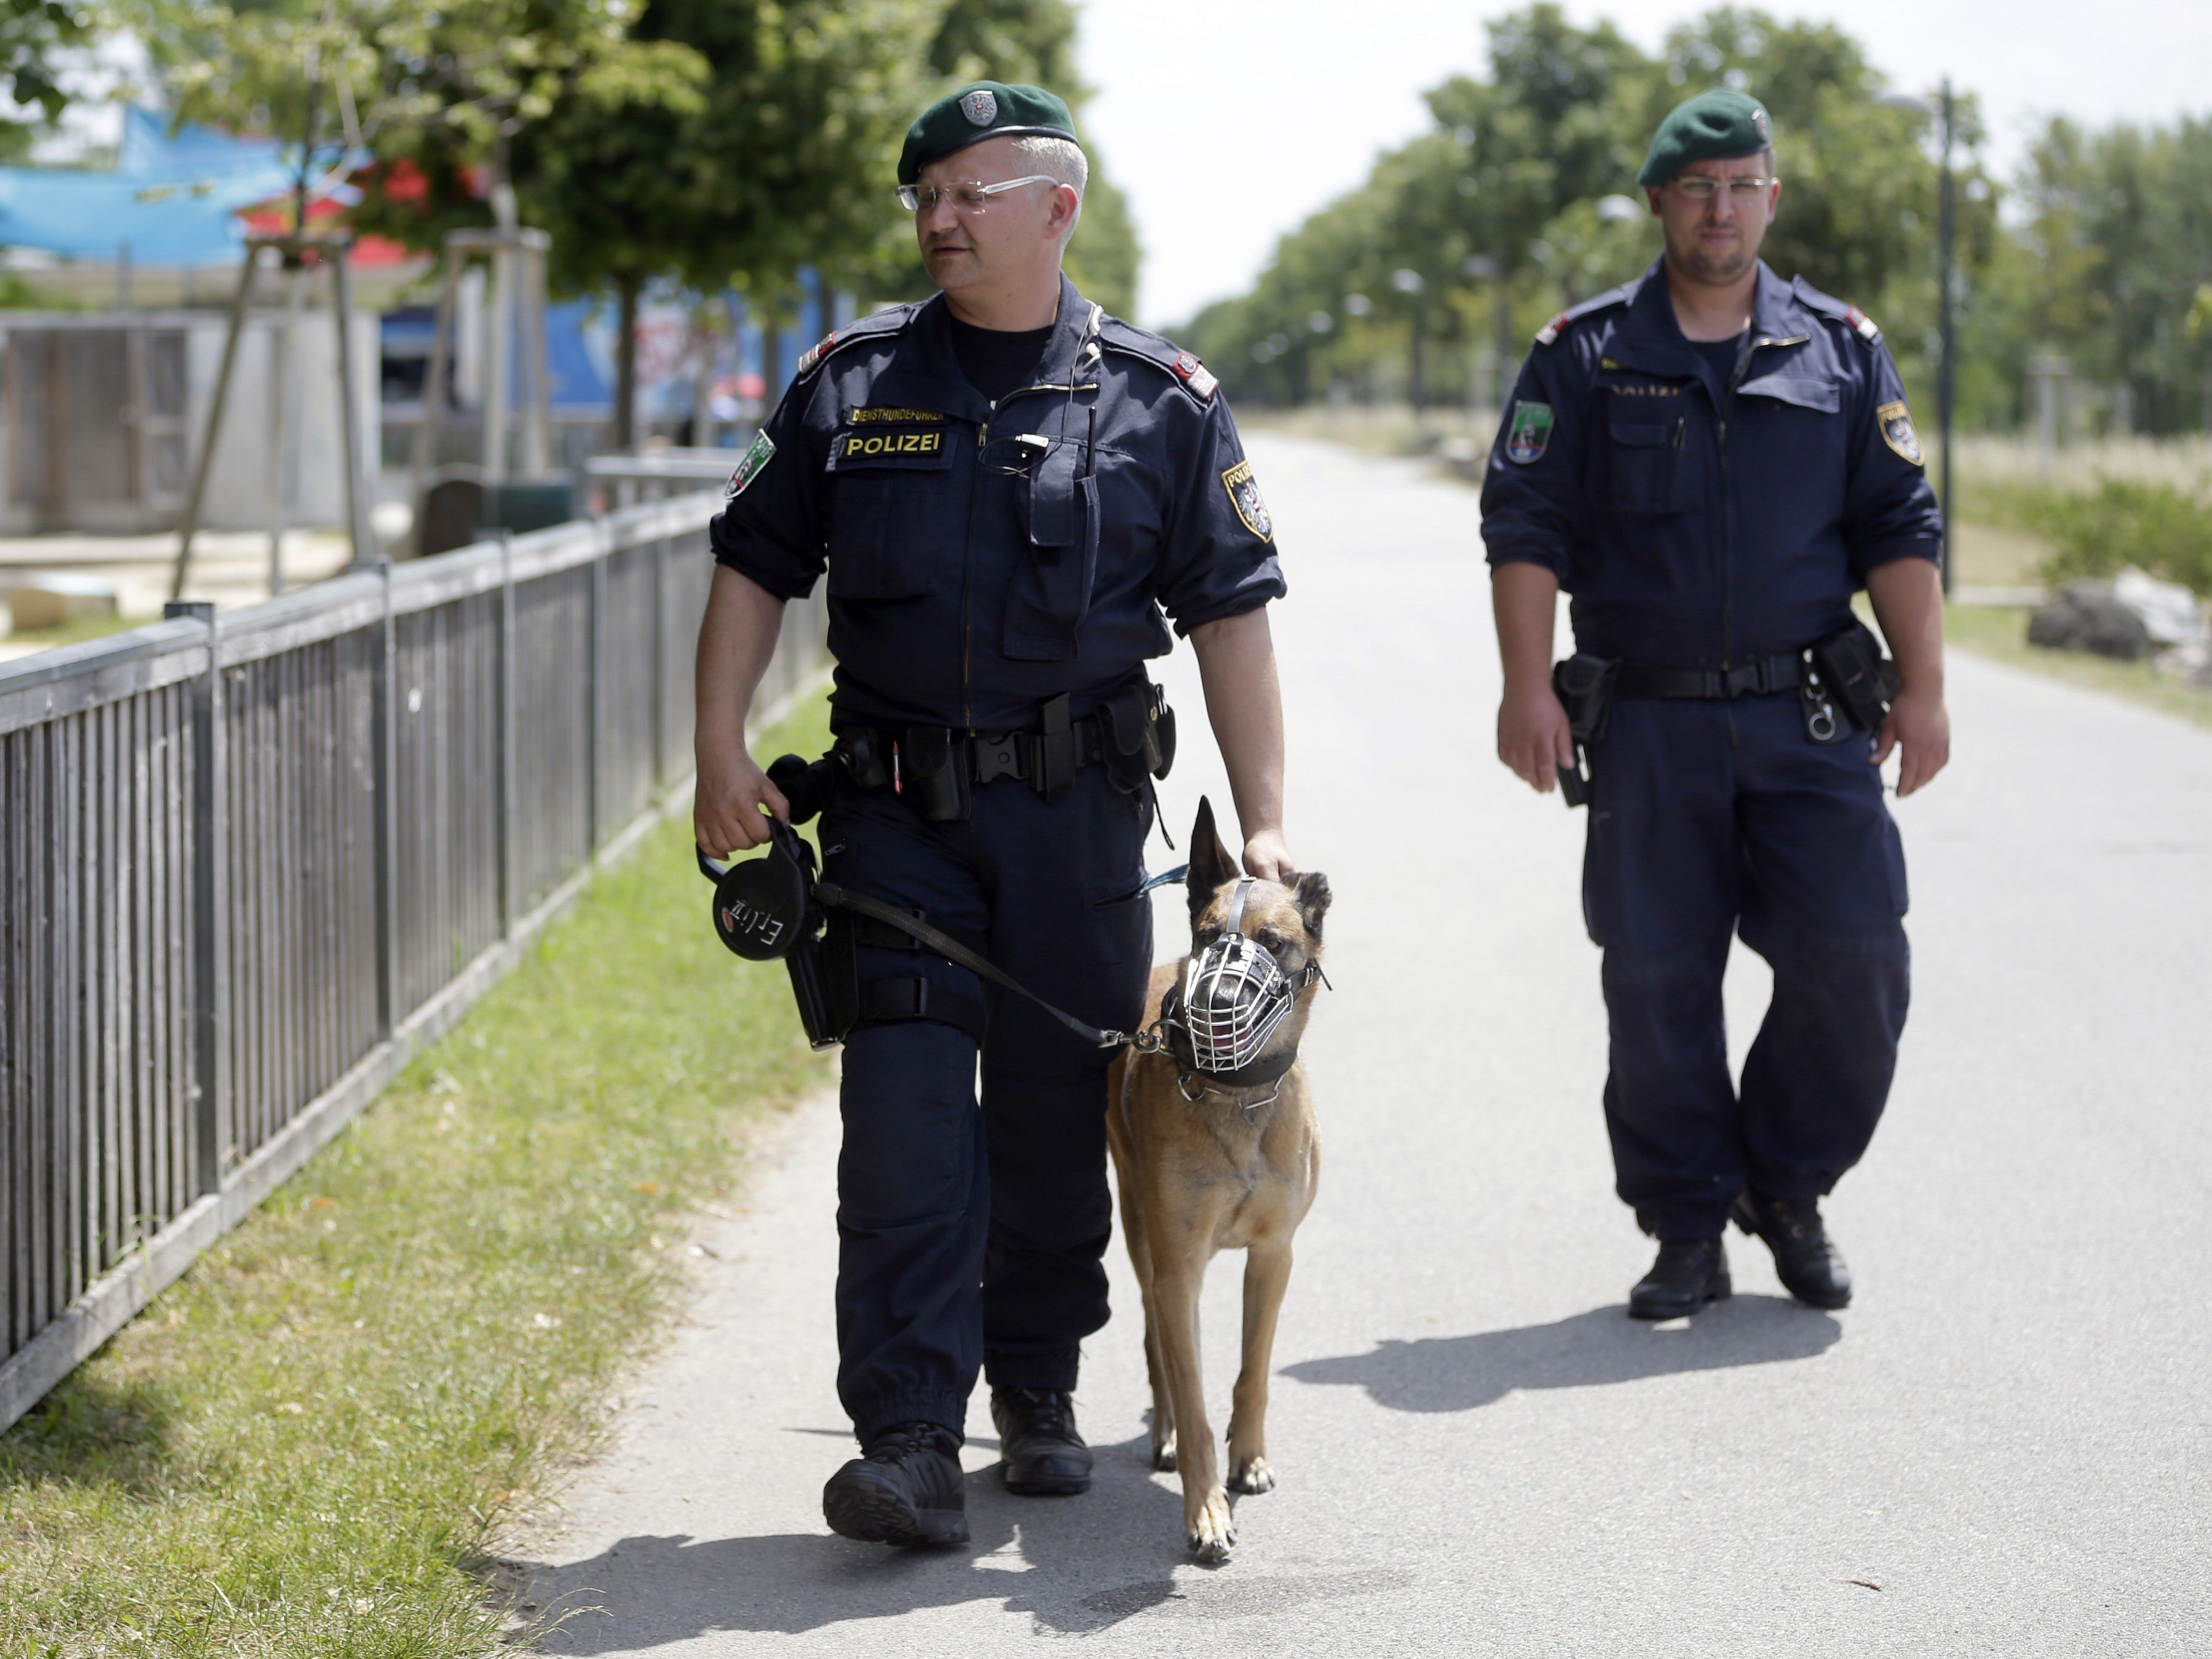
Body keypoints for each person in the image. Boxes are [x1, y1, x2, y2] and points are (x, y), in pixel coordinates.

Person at [692, 81, 1292, 1547]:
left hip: (1078, 829)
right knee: (901, 1123)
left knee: (1042, 1127)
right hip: (897, 824)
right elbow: (754, 564)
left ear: (1054, 207)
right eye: (927, 196)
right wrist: (716, 741)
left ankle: (1035, 1384)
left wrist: (1265, 823)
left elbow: (1231, 621)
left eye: (970, 192)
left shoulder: (1161, 404)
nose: (939, 219)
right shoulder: (850, 383)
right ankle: (904, 1434)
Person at [1479, 90, 1949, 1320]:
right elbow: (1524, 523)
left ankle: (1787, 1184)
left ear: (1771, 197)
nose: (1722, 207)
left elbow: (1898, 522)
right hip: (1647, 725)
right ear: (1659, 202)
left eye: (1743, 184)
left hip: (1806, 718)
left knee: (1857, 958)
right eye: (1698, 187)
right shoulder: (1583, 352)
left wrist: (1931, 686)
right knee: (1655, 980)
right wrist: (1527, 685)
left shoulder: (1842, 349)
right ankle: (1687, 1218)